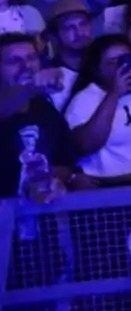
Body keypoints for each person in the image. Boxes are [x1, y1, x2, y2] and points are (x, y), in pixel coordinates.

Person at [64, 35, 131, 184]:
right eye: (113, 62)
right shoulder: (86, 98)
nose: (121, 67)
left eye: (126, 59)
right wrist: (114, 94)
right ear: (97, 70)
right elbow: (85, 146)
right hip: (114, 184)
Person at [0, 34, 78, 201]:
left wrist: (47, 178)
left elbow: (66, 165)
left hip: (38, 212)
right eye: (14, 61)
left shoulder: (44, 109)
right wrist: (29, 89)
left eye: (31, 58)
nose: (26, 66)